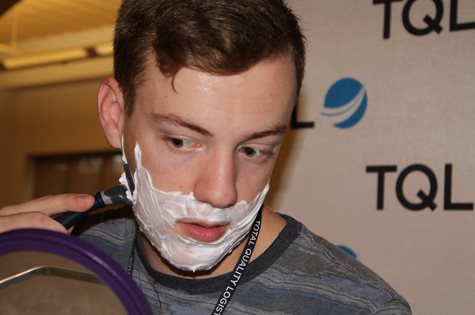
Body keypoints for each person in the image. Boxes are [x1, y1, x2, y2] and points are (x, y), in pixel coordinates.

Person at [0, 0, 411, 314]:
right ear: (114, 115)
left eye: (254, 149)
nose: (219, 191)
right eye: (181, 141)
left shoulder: (359, 309)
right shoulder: (55, 260)